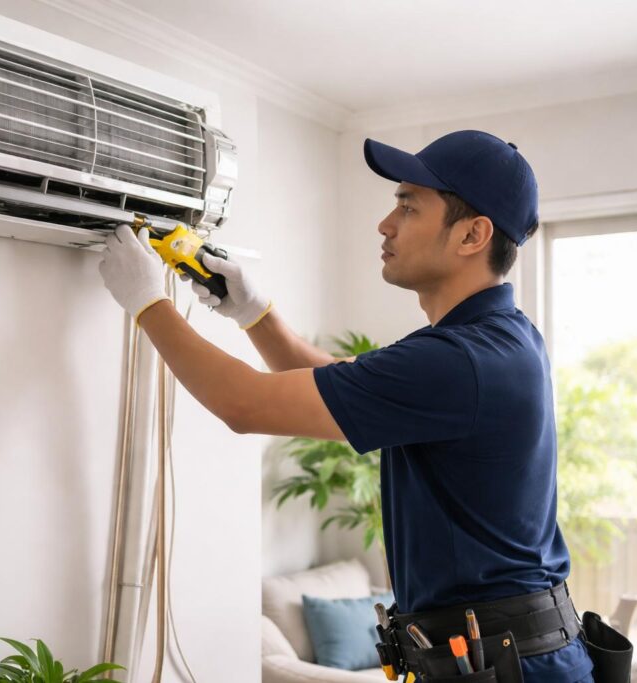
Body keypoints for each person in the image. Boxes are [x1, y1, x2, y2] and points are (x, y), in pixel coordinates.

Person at [99, 130, 594, 682]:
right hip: (508, 654)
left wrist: (148, 303)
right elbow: (340, 385)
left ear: (472, 234)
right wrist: (254, 313)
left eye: (408, 206)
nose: (386, 224)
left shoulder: (460, 360)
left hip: (509, 666)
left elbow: (243, 404)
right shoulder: (495, 340)